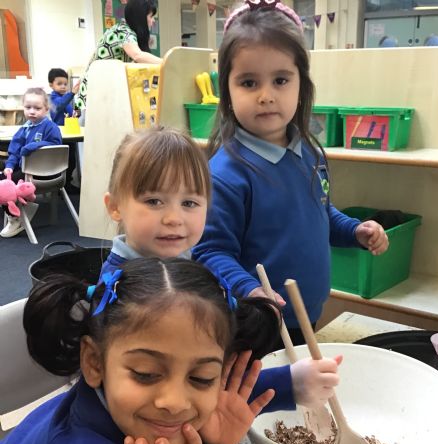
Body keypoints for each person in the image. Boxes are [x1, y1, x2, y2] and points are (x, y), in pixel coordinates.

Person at [100, 126, 342, 413]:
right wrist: (288, 384)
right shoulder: (127, 294)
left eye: (189, 203)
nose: (174, 218)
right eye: (154, 201)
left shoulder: (187, 267)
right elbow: (189, 391)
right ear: (115, 206)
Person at [192, 0, 389, 345]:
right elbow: (210, 252)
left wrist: (354, 230)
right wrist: (250, 289)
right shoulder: (225, 174)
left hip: (307, 313)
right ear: (227, 91)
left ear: (301, 86)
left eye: (281, 80)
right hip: (256, 321)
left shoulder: (308, 153)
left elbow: (320, 212)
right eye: (249, 82)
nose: (266, 96)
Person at [0, 257, 279, 444]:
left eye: (202, 378)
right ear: (94, 362)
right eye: (146, 374)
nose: (175, 402)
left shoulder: (114, 409)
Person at [74, 0, 163, 111]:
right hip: (92, 97)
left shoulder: (124, 30)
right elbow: (137, 55)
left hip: (99, 93)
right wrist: (167, 62)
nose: (153, 21)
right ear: (140, 16)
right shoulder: (123, 31)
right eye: (151, 16)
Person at [0, 87, 62, 238]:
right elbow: (14, 151)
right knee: (4, 178)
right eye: (28, 107)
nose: (32, 111)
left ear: (46, 109)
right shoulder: (24, 129)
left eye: (37, 108)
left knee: (6, 186)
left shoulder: (51, 127)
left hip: (46, 173)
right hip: (26, 171)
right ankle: (16, 210)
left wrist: (35, 145)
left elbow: (56, 146)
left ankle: (15, 218)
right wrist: (9, 166)